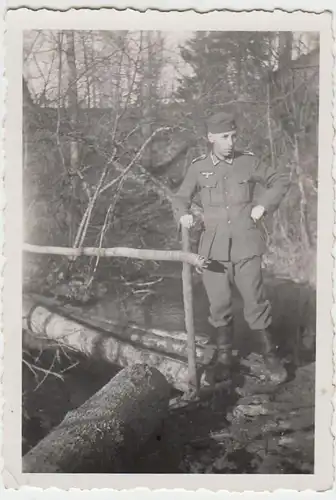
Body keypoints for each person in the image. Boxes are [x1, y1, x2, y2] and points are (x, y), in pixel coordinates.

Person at [172, 111, 290, 385]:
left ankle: (271, 357)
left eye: (233, 136)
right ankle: (225, 359)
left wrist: (263, 206)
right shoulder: (198, 168)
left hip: (246, 245)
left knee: (255, 302)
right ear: (210, 137)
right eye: (225, 137)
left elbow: (280, 180)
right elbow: (180, 198)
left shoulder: (247, 162)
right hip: (212, 250)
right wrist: (183, 215)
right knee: (219, 304)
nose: (230, 142)